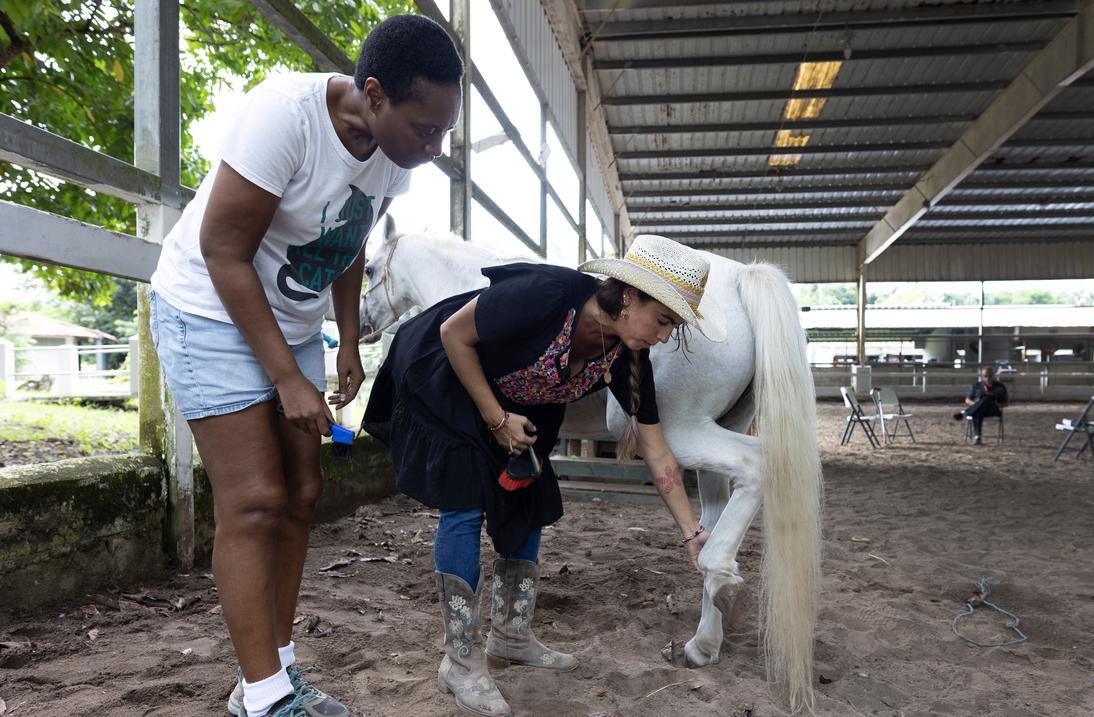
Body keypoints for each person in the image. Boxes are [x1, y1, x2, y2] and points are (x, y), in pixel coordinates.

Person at [148, 16, 463, 717]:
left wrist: (347, 340)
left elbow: (349, 239)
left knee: (303, 490)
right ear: (374, 94)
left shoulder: (392, 156)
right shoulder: (284, 117)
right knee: (255, 498)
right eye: (425, 129)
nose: (434, 147)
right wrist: (289, 378)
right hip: (207, 307)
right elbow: (222, 250)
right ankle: (262, 700)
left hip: (289, 322)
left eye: (444, 132)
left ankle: (276, 673)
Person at [362, 235, 723, 717]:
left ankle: (510, 636)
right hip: (446, 375)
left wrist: (692, 534)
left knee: (527, 500)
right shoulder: (548, 294)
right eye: (663, 321)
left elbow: (658, 453)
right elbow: (453, 333)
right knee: (466, 501)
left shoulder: (627, 356)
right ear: (631, 295)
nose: (662, 337)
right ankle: (461, 662)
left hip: (518, 405)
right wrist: (495, 419)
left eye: (672, 328)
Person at [955, 366, 1008, 444]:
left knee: (987, 398)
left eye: (989, 376)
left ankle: (964, 412)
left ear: (993, 375)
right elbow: (967, 400)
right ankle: (978, 438)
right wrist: (976, 404)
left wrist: (997, 404)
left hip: (993, 409)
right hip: (978, 410)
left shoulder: (1000, 387)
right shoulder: (976, 386)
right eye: (985, 376)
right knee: (978, 410)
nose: (987, 378)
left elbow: (1006, 402)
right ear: (982, 376)